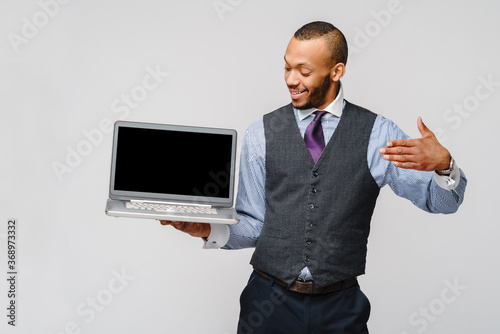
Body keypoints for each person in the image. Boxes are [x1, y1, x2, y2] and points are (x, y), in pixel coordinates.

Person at [160, 21, 467, 333]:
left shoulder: (377, 134)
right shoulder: (261, 133)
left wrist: (445, 165)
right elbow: (254, 228)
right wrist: (205, 228)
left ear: (336, 71)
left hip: (340, 309)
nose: (291, 80)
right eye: (287, 68)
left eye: (304, 71)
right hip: (266, 304)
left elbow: (442, 202)